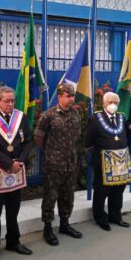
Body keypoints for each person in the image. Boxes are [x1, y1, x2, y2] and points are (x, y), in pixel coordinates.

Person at [0, 86, 33, 260]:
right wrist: (8, 164)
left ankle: (13, 241)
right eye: (6, 101)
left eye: (12, 100)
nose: (10, 104)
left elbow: (28, 141)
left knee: (13, 210)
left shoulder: (21, 117)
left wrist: (21, 162)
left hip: (17, 168)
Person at [34, 83, 83, 246]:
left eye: (72, 96)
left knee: (68, 195)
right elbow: (39, 138)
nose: (71, 99)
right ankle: (47, 228)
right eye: (68, 96)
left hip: (71, 163)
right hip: (53, 165)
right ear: (59, 96)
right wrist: (52, 153)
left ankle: (64, 224)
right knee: (50, 196)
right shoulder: (48, 115)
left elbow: (77, 135)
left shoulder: (76, 114)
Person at [85, 92, 131, 231]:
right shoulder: (95, 118)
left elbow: (125, 136)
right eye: (110, 102)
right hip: (103, 162)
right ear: (104, 103)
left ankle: (115, 216)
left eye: (115, 102)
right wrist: (94, 160)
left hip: (120, 162)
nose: (113, 105)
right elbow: (88, 142)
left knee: (118, 190)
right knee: (101, 191)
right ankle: (100, 218)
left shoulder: (121, 117)